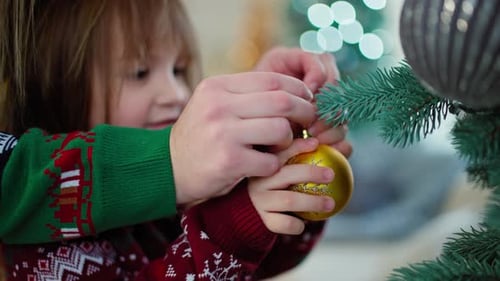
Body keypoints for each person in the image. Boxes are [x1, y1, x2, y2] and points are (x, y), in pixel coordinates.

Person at [0, 0, 352, 280]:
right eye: (139, 72)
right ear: (57, 87)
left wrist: (283, 184)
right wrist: (229, 228)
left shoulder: (175, 193)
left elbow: (259, 263)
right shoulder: (47, 244)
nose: (176, 92)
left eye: (179, 70)